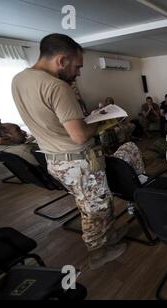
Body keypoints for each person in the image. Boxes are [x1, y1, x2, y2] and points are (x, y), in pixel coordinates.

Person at [11, 33, 127, 270]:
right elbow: (80, 135)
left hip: (55, 160)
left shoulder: (19, 79)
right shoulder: (57, 87)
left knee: (92, 203)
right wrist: (101, 119)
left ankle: (110, 235)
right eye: (77, 66)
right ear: (62, 61)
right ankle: (98, 252)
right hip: (78, 161)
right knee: (95, 208)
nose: (79, 73)